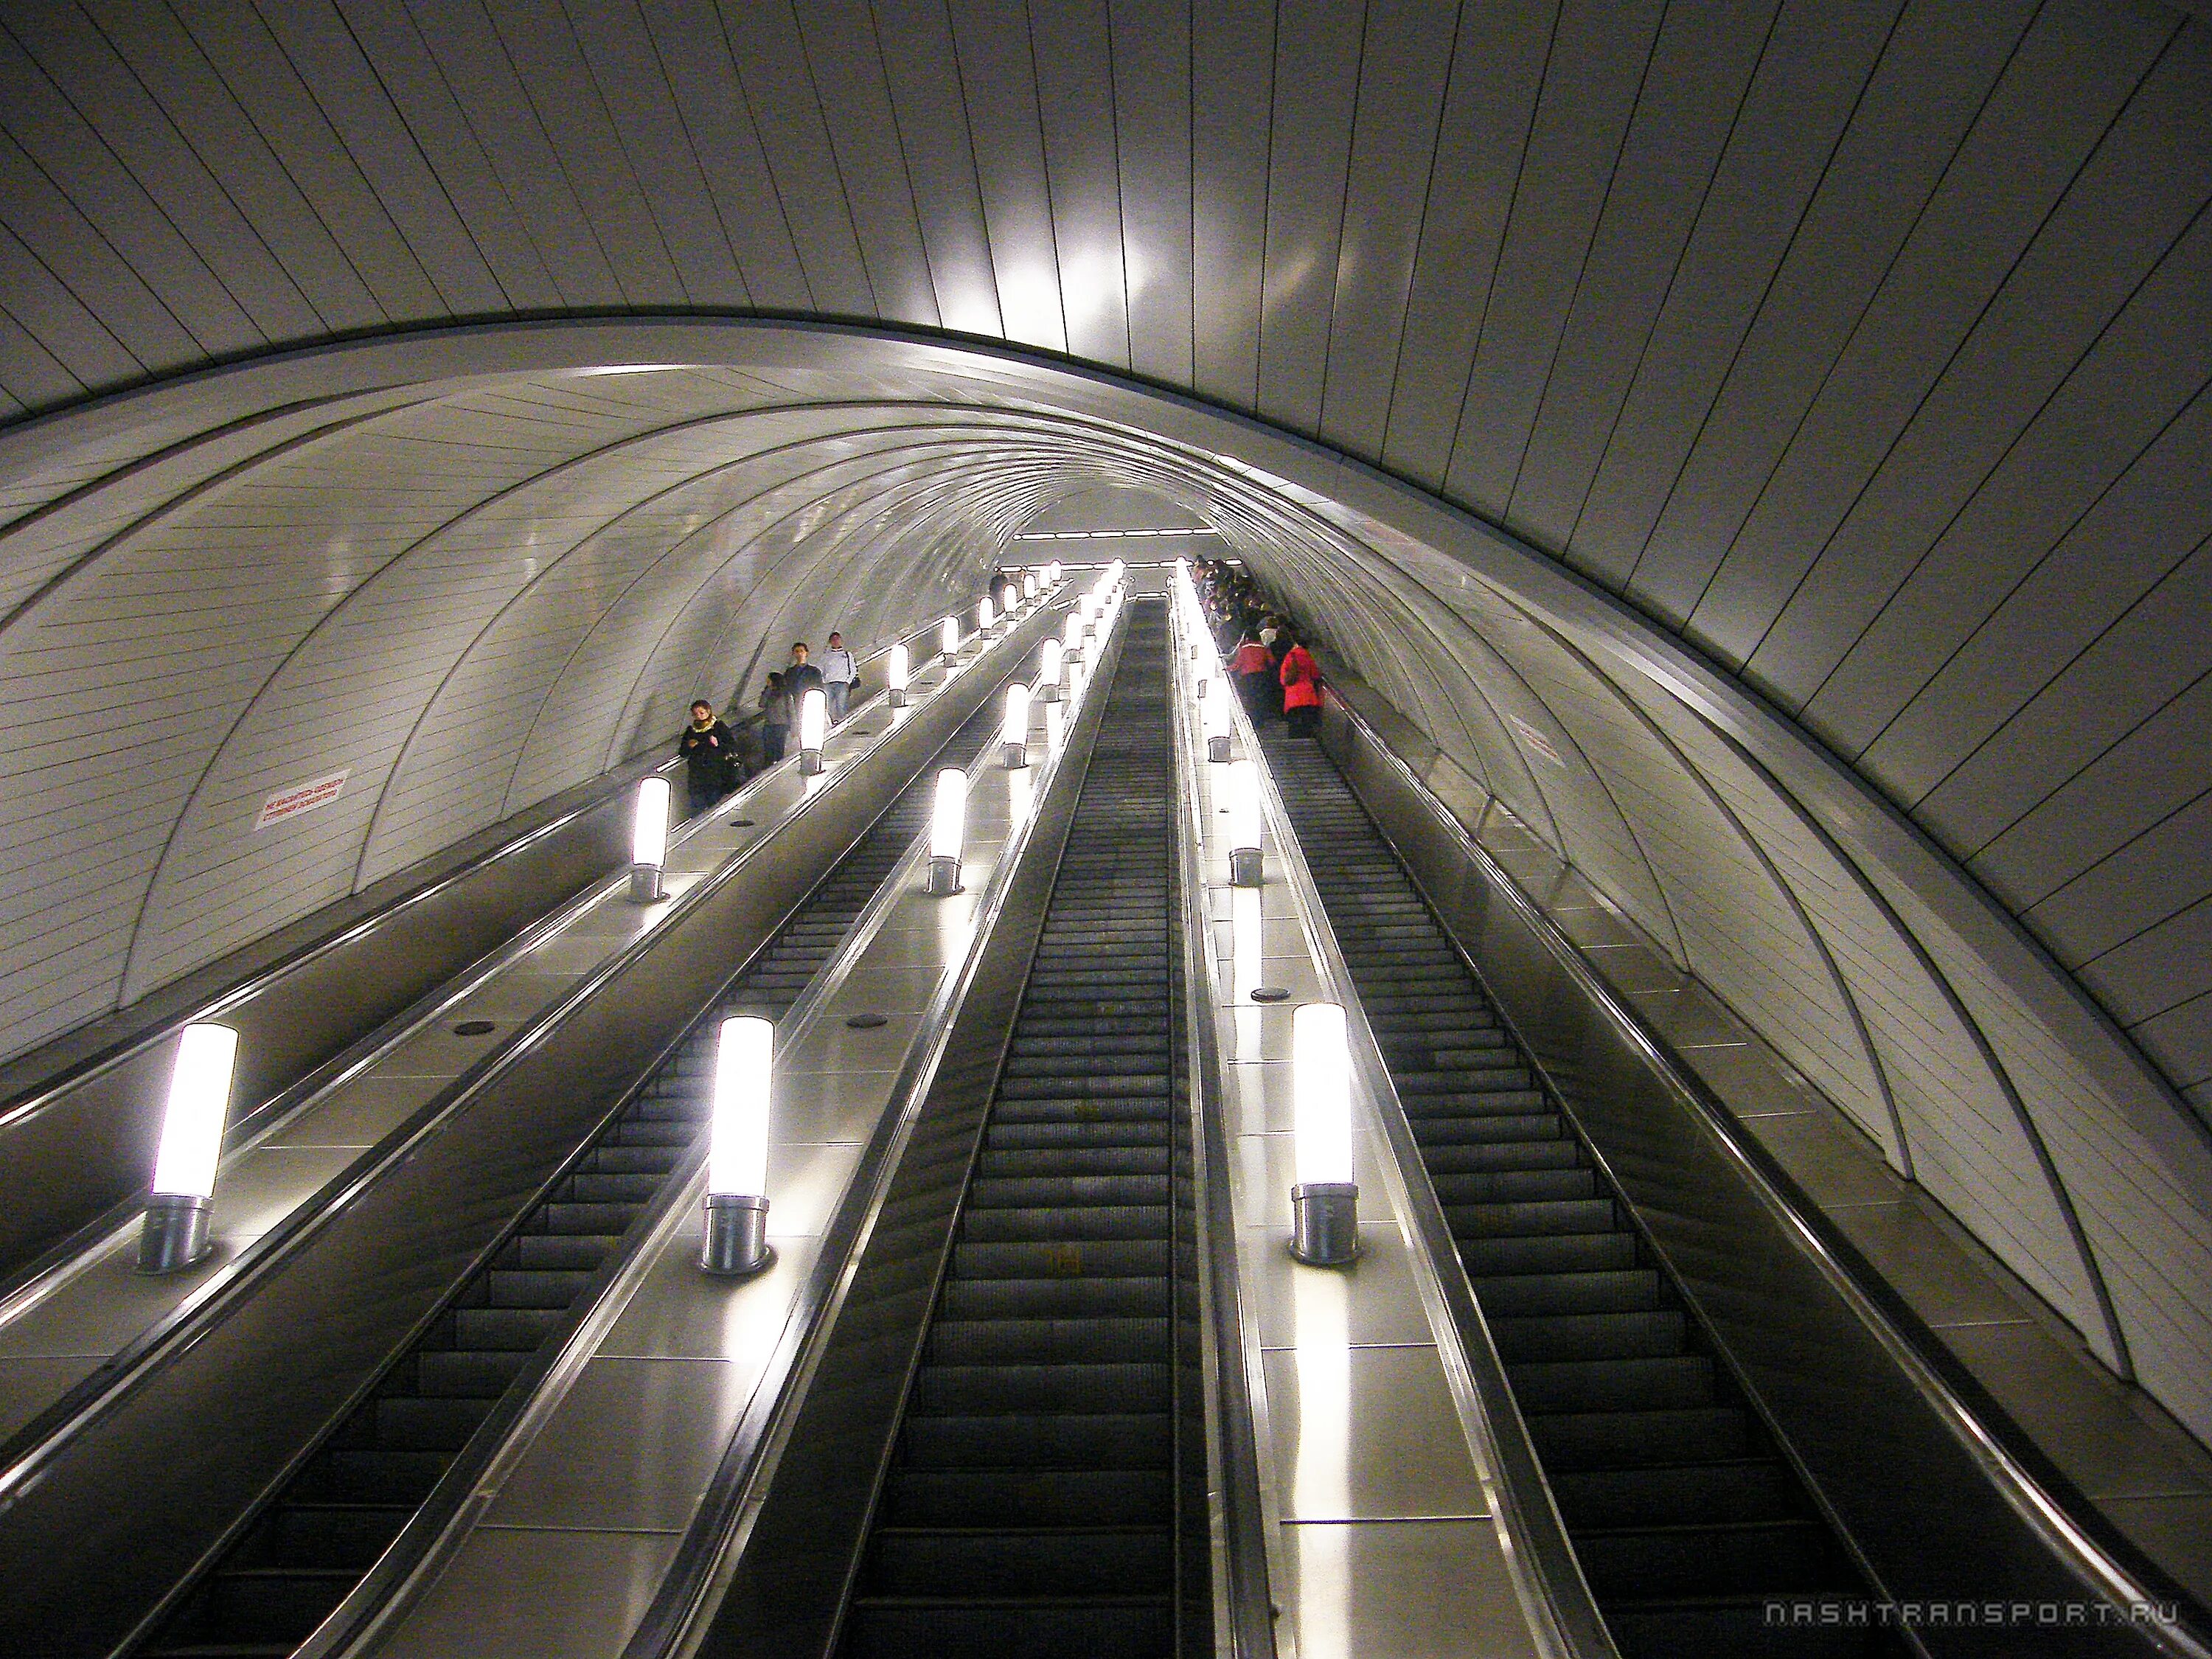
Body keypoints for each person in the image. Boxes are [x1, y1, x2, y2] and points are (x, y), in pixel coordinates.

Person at [678, 700, 736, 815]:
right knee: (697, 804)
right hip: (697, 774)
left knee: (713, 802)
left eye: (702, 713)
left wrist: (718, 744)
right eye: (695, 714)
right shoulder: (691, 731)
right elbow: (683, 753)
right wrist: (689, 746)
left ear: (708, 712)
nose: (699, 717)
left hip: (715, 773)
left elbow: (732, 745)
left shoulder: (718, 727)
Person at [1279, 632, 1323, 738]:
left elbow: (1283, 679)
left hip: (1293, 697)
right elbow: (1315, 675)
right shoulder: (1307, 656)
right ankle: (1307, 741)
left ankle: (1294, 741)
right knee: (1306, 723)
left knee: (1294, 724)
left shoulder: (1290, 656)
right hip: (1308, 695)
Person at [1229, 630, 1275, 720]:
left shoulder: (1244, 648)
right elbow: (1272, 661)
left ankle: (1252, 718)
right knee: (1260, 697)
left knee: (1250, 697)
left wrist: (1228, 668)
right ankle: (1260, 718)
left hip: (1248, 676)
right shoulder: (1264, 648)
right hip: (1261, 675)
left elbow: (1238, 664)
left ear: (1247, 638)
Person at [818, 631, 857, 723]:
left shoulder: (847, 655)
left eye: (837, 639)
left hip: (842, 684)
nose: (835, 641)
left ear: (841, 641)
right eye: (833, 639)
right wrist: (824, 681)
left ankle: (843, 723)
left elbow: (853, 669)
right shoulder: (826, 656)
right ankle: (831, 724)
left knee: (841, 706)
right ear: (830, 642)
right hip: (828, 684)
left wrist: (848, 682)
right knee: (828, 707)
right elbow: (820, 670)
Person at [758, 670, 791, 763]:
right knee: (768, 749)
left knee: (779, 748)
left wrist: (794, 726)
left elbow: (791, 710)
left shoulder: (785, 693)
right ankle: (768, 766)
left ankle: (779, 765)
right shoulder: (767, 692)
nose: (767, 682)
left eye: (769, 680)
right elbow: (761, 704)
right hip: (769, 724)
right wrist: (768, 689)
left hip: (781, 725)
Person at [785, 641, 824, 712]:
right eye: (797, 651)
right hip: (794, 703)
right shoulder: (789, 672)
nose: (799, 654)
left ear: (807, 653)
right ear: (793, 654)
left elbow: (819, 687)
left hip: (809, 702)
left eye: (801, 651)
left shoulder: (814, 671)